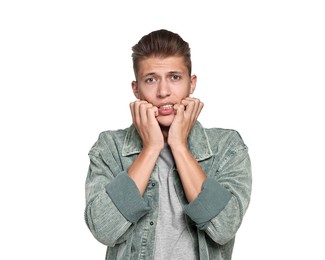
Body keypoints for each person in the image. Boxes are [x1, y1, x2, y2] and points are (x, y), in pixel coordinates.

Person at [84, 29, 252, 260]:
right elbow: (104, 230)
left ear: (191, 84)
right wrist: (151, 148)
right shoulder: (110, 147)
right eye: (151, 79)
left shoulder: (226, 147)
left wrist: (179, 146)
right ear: (136, 89)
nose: (163, 92)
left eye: (175, 77)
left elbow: (223, 228)